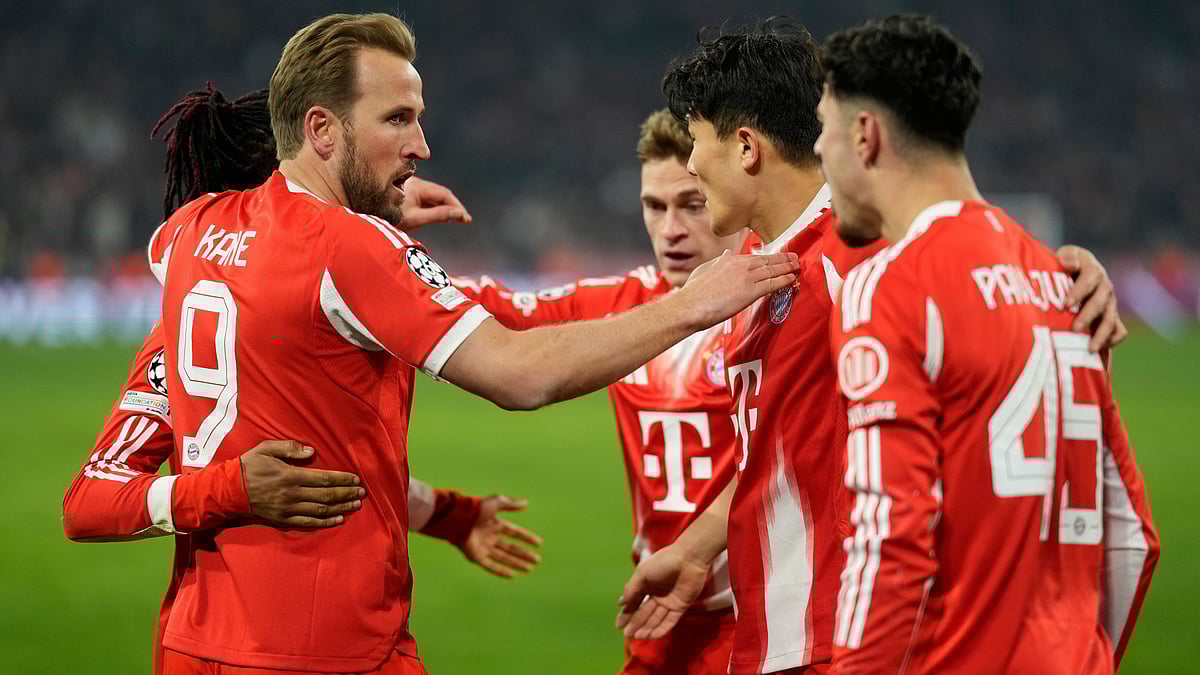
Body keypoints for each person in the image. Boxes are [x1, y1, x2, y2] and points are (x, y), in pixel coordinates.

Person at [151, 12, 799, 674]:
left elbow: (794, 448)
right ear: (321, 128)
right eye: (398, 118)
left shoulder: (185, 238)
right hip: (333, 640)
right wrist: (378, 236)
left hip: (761, 617)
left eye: (690, 202)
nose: (422, 144)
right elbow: (506, 354)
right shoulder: (635, 302)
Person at [617, 17, 1129, 675]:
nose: (689, 164)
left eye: (693, 141)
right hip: (779, 639)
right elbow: (785, 445)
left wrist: (1055, 273)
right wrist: (695, 548)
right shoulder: (755, 268)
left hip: (843, 643)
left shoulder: (854, 262)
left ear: (745, 147)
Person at [62, 85, 541, 675]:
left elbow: (324, 480)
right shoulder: (260, 302)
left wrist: (448, 514)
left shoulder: (198, 316)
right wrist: (228, 490)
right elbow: (88, 504)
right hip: (320, 650)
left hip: (196, 646)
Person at [814, 16, 1159, 673]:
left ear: (865, 135)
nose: (819, 155)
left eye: (822, 129)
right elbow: (1131, 538)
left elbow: (890, 536)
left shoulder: (893, 285)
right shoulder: (1067, 284)